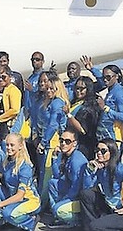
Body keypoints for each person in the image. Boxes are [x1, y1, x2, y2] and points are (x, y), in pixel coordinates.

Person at [79, 139, 123, 231]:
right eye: (97, 150)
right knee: (85, 194)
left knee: (95, 226)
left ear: (111, 152)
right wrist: (89, 171)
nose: (99, 153)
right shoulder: (101, 168)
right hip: (111, 208)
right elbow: (87, 188)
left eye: (103, 151)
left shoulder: (120, 169)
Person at [0, 132, 41, 231]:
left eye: (12, 145)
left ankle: (30, 221)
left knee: (8, 213)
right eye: (7, 145)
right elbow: (0, 171)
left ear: (20, 146)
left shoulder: (25, 166)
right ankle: (2, 219)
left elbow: (20, 196)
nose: (9, 148)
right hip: (12, 195)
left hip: (27, 200)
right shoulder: (8, 160)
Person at [34, 72, 70, 206]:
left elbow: (54, 124)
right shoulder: (50, 102)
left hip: (52, 143)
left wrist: (43, 142)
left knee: (48, 176)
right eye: (47, 88)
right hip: (48, 141)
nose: (48, 91)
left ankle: (43, 204)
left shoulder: (57, 103)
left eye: (51, 89)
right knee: (45, 173)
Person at [47, 128, 89, 228]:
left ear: (74, 143)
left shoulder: (76, 160)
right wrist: (54, 158)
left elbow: (76, 188)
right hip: (72, 189)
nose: (63, 144)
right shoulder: (66, 155)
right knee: (52, 183)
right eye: (61, 140)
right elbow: (57, 175)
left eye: (67, 141)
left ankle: (76, 220)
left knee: (58, 209)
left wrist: (63, 201)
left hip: (82, 196)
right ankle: (59, 216)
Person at [64, 76, 102, 160]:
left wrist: (69, 115)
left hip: (83, 146)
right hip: (70, 142)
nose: (78, 91)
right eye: (77, 88)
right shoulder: (75, 102)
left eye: (82, 88)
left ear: (88, 89)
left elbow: (83, 129)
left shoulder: (90, 107)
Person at [96, 64, 123, 144]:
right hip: (104, 135)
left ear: (116, 76)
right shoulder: (111, 91)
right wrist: (92, 69)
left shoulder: (119, 92)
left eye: (108, 77)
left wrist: (105, 108)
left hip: (114, 135)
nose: (105, 80)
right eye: (103, 78)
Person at [0, 66, 23, 143]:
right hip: (0, 127)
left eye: (3, 77)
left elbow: (15, 110)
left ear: (10, 76)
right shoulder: (0, 90)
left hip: (9, 126)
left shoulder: (13, 90)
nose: (0, 79)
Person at [24, 52, 45, 136]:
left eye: (37, 59)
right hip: (30, 115)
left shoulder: (44, 77)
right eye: (33, 60)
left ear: (42, 61)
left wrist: (32, 90)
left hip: (40, 115)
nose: (35, 61)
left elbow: (45, 94)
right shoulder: (31, 77)